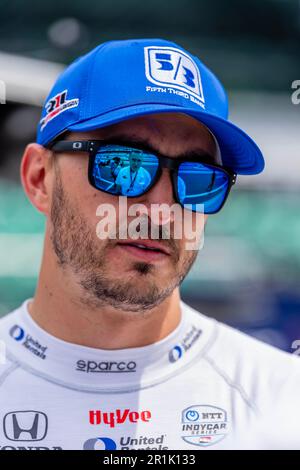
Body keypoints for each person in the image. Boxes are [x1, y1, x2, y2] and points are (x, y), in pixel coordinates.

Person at [0, 38, 299, 451]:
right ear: (39, 179)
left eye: (197, 179)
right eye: (122, 166)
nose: (162, 211)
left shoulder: (281, 404)